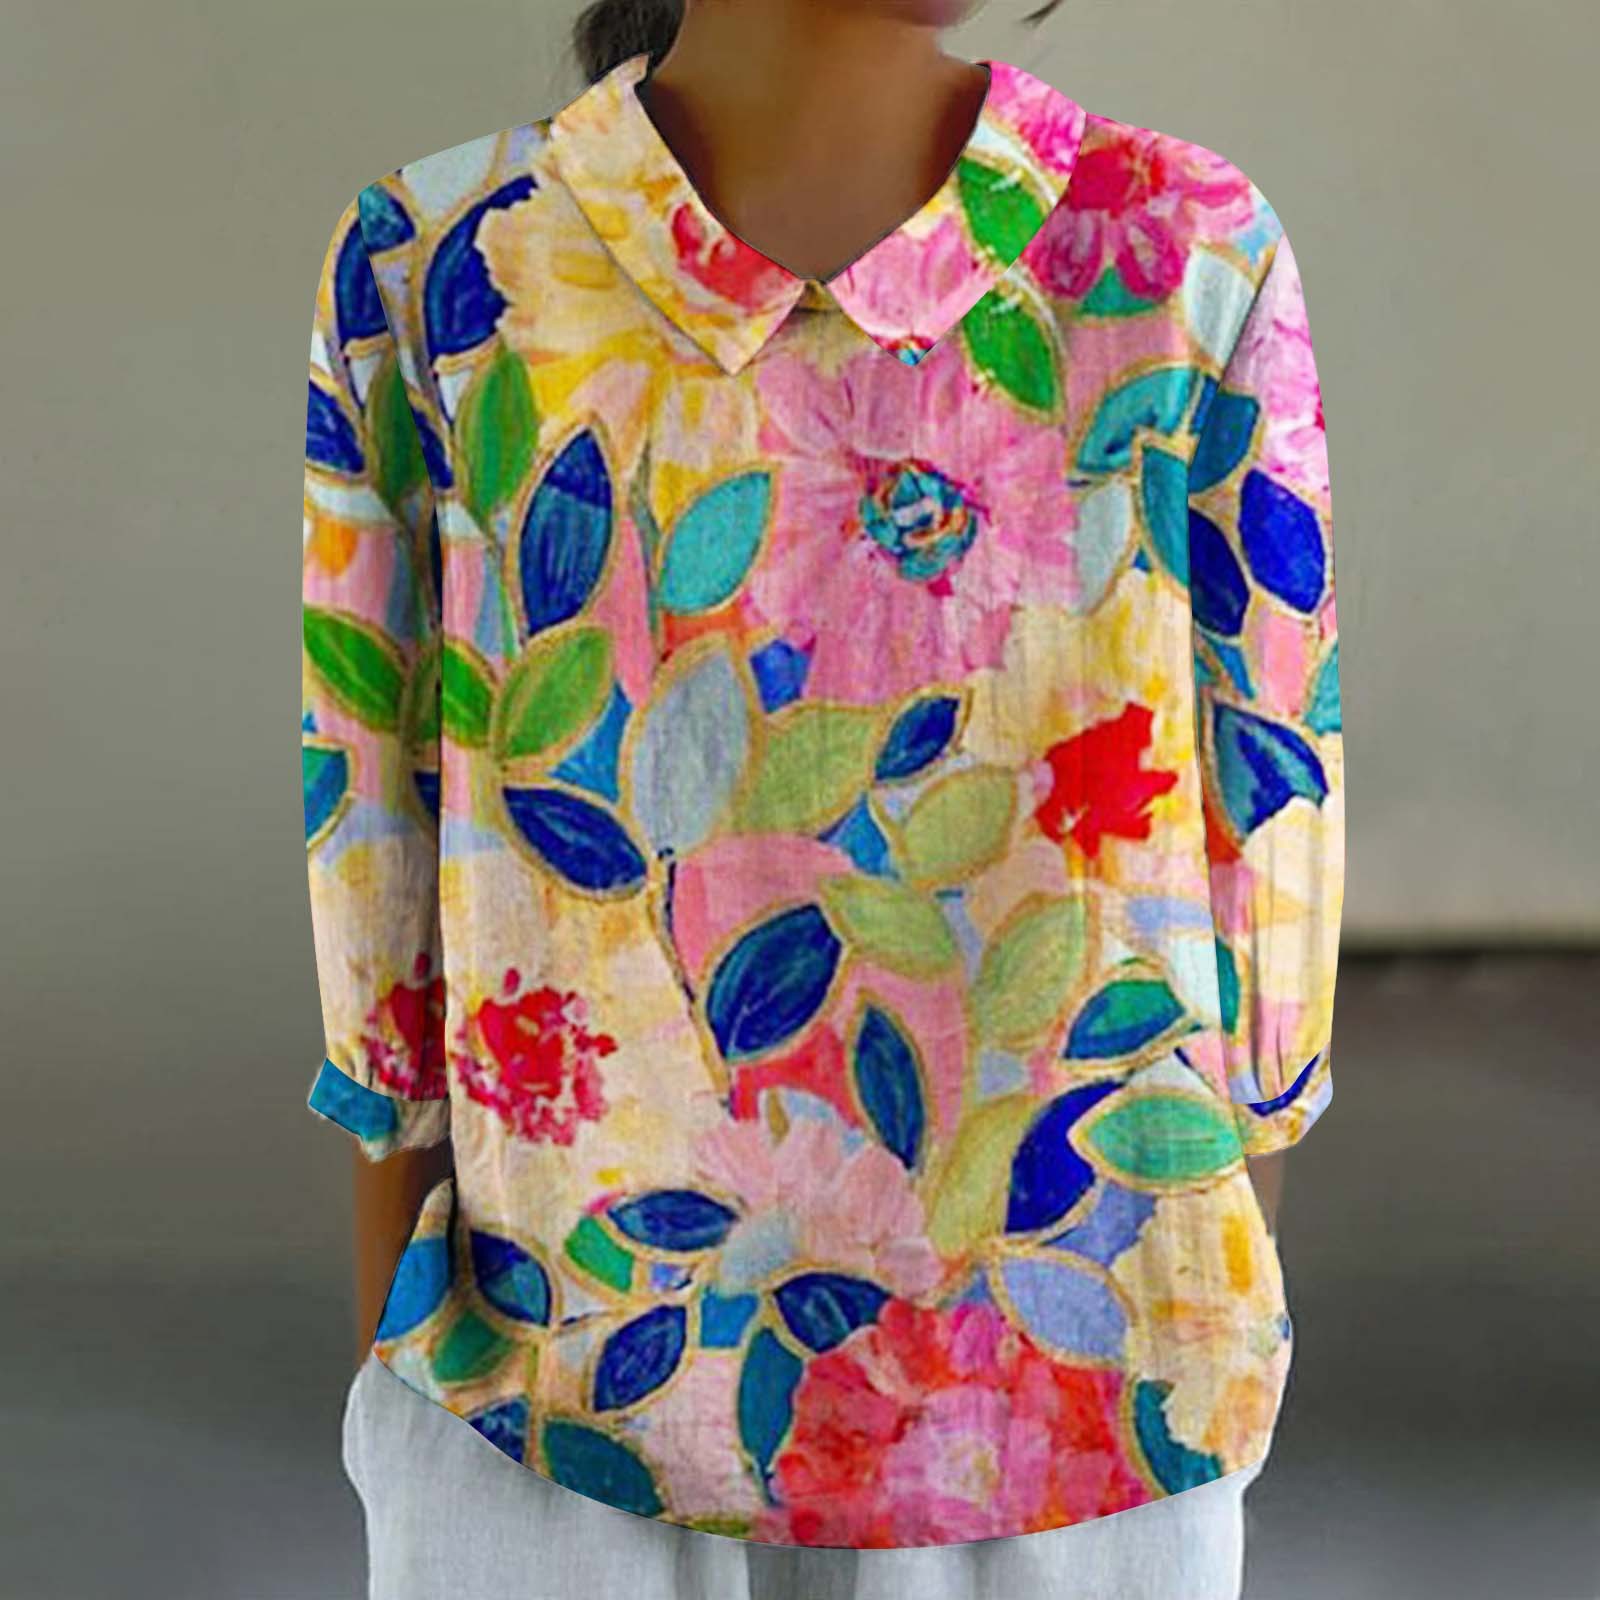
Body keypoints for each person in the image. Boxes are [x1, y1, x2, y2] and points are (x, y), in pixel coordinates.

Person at [300, 0, 1345, 1595]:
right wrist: (410, 1399)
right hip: (548, 1395)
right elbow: (375, 826)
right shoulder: (446, 266)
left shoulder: (1181, 256)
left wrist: (1210, 1309)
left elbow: (1265, 818)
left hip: (1092, 1404)